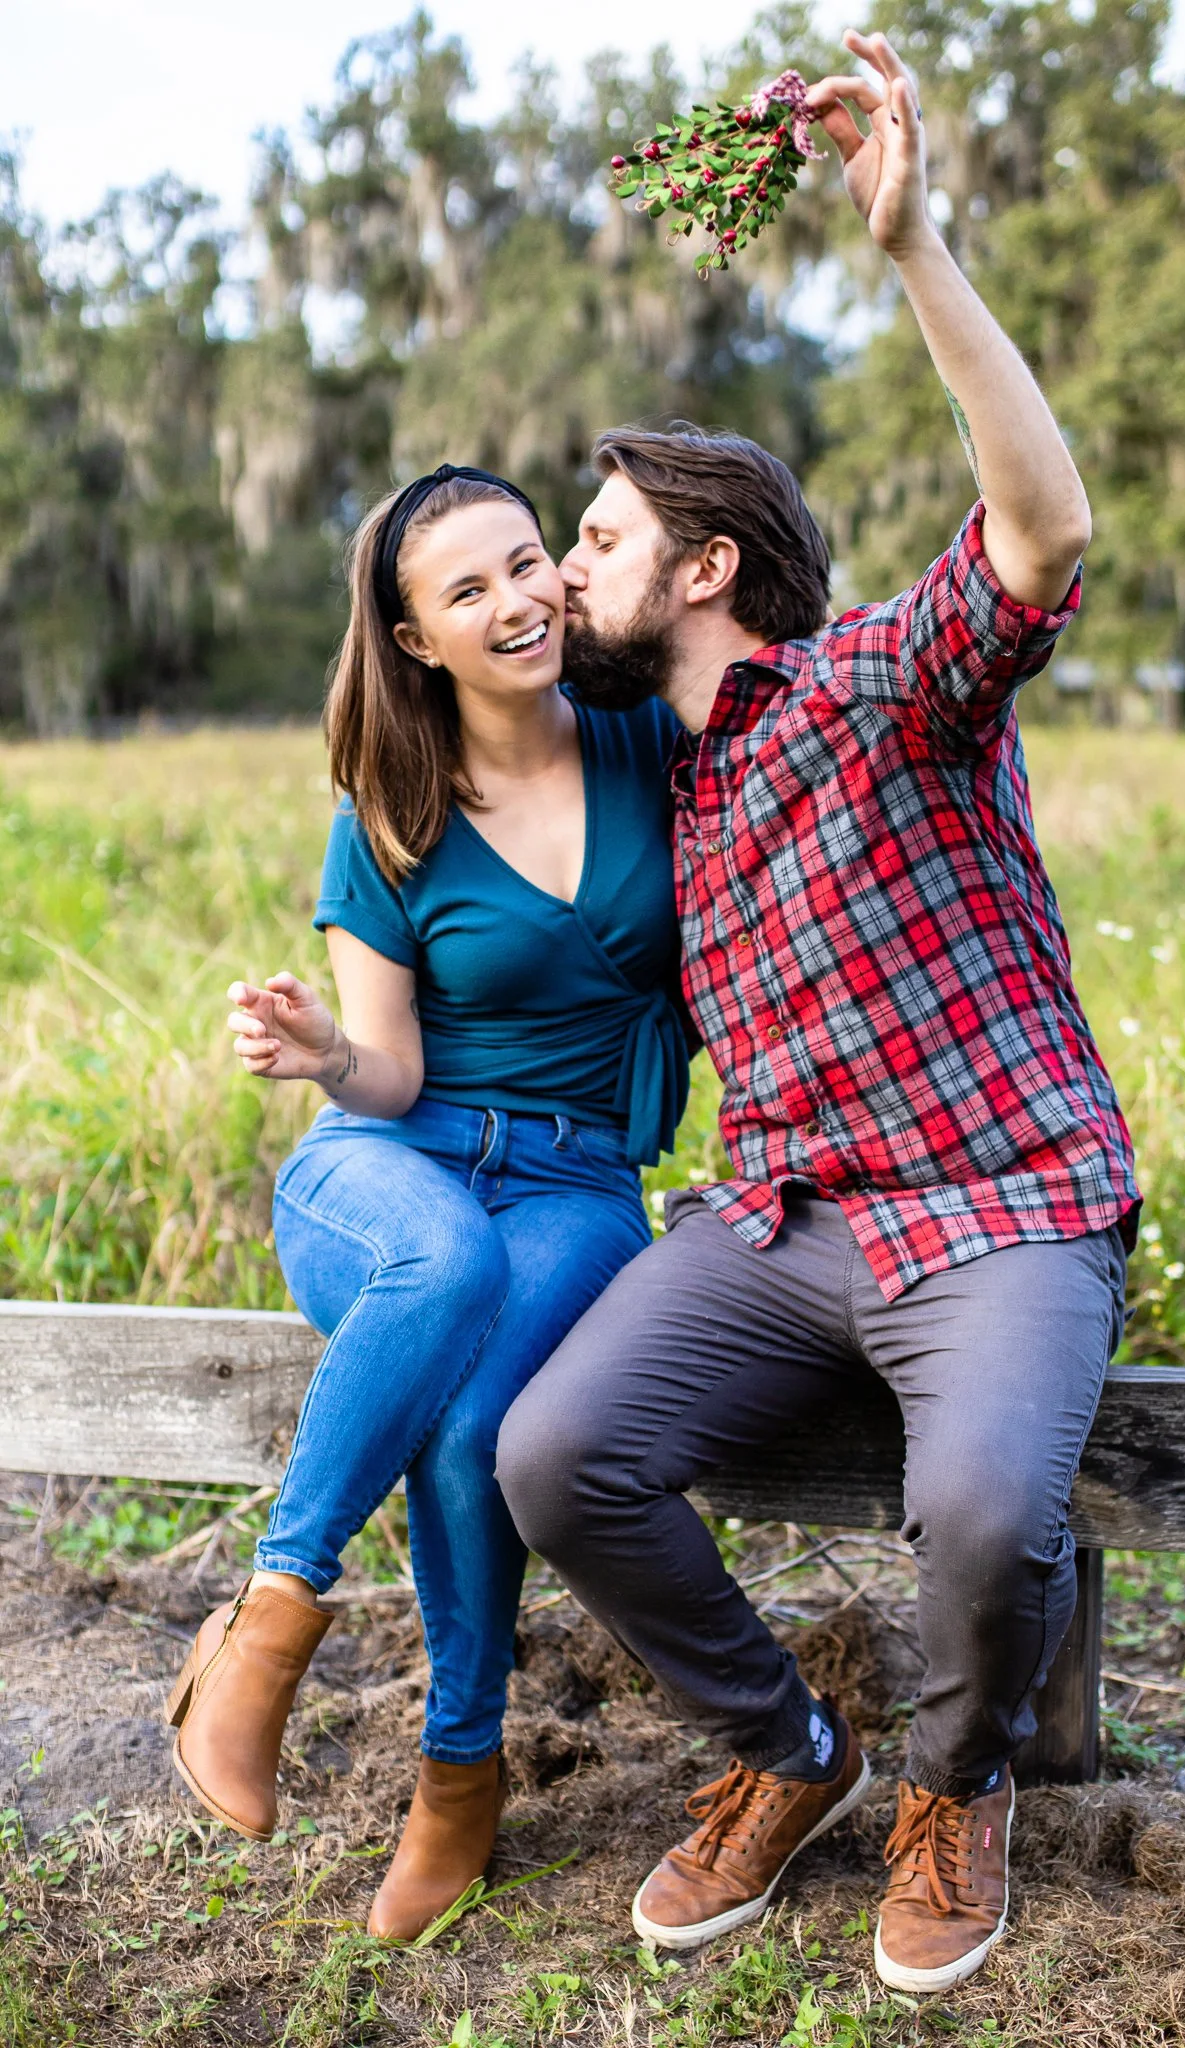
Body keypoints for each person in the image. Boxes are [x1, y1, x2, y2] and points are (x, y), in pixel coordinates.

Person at [496, 30, 1138, 1996]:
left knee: (974, 1502)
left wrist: (917, 248)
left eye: (587, 544)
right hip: (776, 1225)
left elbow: (1040, 543)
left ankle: (955, 1792)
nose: (559, 574)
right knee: (555, 1453)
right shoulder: (656, 783)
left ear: (701, 565)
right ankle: (792, 1752)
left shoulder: (877, 683)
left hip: (998, 1202)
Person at [163, 464, 689, 1941]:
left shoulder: (653, 736)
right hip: (388, 1170)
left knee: (474, 1429)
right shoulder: (388, 804)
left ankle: (460, 1772)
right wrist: (328, 1055)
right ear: (415, 638)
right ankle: (268, 1632)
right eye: (469, 589)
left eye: (529, 562)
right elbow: (384, 1072)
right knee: (442, 1266)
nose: (519, 601)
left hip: (580, 1177)